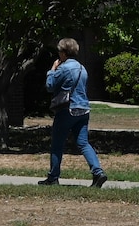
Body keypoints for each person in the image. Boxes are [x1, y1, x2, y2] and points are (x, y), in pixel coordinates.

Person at [39, 37, 107, 187]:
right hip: (83, 109)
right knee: (83, 143)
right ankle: (98, 172)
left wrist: (52, 70)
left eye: (59, 52)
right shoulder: (82, 68)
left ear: (64, 52)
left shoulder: (64, 68)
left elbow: (50, 86)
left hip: (67, 109)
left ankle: (53, 177)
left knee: (57, 144)